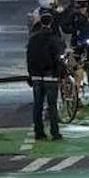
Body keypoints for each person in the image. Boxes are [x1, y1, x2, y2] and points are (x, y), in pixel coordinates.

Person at [27, 13, 64, 141]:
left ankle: (39, 131)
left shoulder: (33, 39)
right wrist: (59, 73)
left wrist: (30, 74)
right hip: (51, 76)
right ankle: (55, 132)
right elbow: (59, 58)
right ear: (51, 23)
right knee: (52, 105)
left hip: (36, 76)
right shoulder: (54, 39)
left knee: (37, 105)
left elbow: (29, 57)